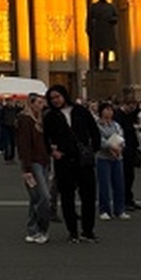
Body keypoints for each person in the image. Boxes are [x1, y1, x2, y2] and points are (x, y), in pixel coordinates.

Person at [43, 85, 100, 243]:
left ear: (64, 95)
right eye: (52, 98)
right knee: (67, 198)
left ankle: (88, 231)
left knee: (88, 196)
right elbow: (44, 138)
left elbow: (94, 130)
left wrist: (94, 148)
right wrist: (52, 152)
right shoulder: (50, 116)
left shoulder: (80, 110)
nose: (56, 101)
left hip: (83, 160)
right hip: (64, 160)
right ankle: (73, 232)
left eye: (58, 97)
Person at [17, 92, 52, 244]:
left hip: (44, 161)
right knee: (45, 197)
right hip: (33, 162)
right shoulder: (25, 120)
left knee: (35, 197)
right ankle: (42, 228)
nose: (41, 106)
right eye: (38, 103)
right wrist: (26, 168)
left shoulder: (41, 120)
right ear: (30, 104)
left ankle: (32, 229)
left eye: (42, 103)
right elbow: (23, 145)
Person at [95, 103, 128, 221]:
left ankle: (120, 209)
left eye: (111, 110)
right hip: (103, 157)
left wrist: (119, 148)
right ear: (101, 111)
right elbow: (99, 139)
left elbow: (121, 137)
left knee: (119, 184)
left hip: (117, 157)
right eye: (107, 110)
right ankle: (104, 210)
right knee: (104, 185)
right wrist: (110, 147)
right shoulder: (97, 125)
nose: (109, 112)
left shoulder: (116, 125)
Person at [87, 0, 118, 70]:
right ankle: (96, 66)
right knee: (97, 49)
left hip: (107, 30)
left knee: (106, 49)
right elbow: (89, 19)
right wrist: (89, 30)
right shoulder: (94, 7)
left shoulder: (110, 7)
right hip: (98, 30)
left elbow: (116, 17)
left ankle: (106, 65)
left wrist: (112, 20)